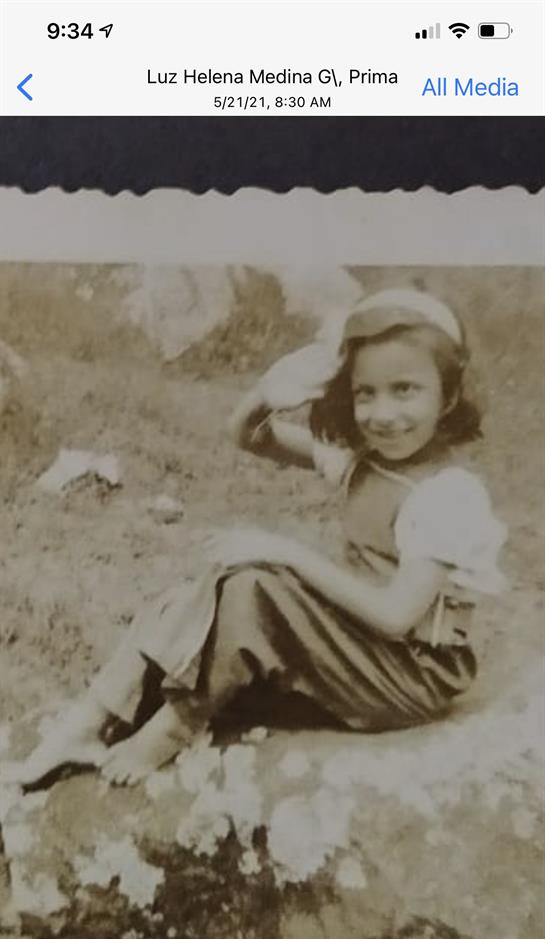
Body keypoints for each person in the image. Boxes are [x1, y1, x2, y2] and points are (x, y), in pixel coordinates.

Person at [6, 287, 507, 789]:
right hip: (359, 647)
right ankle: (88, 722)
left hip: (409, 674)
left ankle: (176, 725)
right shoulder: (367, 460)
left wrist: (285, 553)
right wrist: (266, 394)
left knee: (254, 590)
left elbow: (397, 618)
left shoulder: (448, 495)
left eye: (405, 390)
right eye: (365, 392)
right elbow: (251, 437)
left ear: (448, 396)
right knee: (208, 584)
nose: (383, 413)